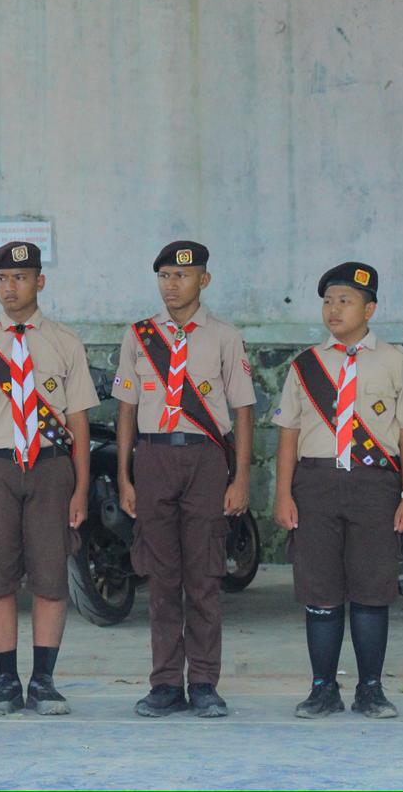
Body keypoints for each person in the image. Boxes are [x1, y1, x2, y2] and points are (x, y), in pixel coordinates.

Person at [0, 240, 98, 716]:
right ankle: (6, 681)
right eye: (1, 279)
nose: (10, 287)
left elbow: (79, 423)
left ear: (39, 282)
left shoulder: (64, 342)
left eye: (19, 277)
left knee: (51, 577)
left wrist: (80, 488)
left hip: (51, 468)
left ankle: (44, 682)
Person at [272, 262, 403, 719]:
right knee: (319, 589)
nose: (334, 309)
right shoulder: (305, 365)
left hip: (374, 485)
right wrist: (283, 494)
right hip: (315, 484)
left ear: (369, 309)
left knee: (372, 588)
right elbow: (288, 434)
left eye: (345, 301)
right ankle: (322, 689)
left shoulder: (396, 362)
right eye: (327, 301)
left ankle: (370, 690)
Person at [111, 240, 255, 719]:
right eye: (165, 276)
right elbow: (126, 409)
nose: (172, 285)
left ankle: (206, 683)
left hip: (205, 459)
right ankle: (166, 684)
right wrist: (125, 475)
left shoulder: (225, 337)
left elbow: (243, 410)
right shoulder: (139, 335)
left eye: (182, 276)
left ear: (203, 280)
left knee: (204, 576)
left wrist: (240, 477)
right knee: (161, 577)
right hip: (153, 457)